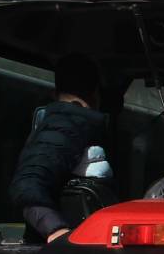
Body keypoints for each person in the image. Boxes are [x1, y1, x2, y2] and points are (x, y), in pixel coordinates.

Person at [9, 56, 114, 242]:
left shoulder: (72, 126)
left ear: (55, 92)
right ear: (96, 92)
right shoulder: (66, 125)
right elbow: (27, 185)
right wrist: (57, 232)